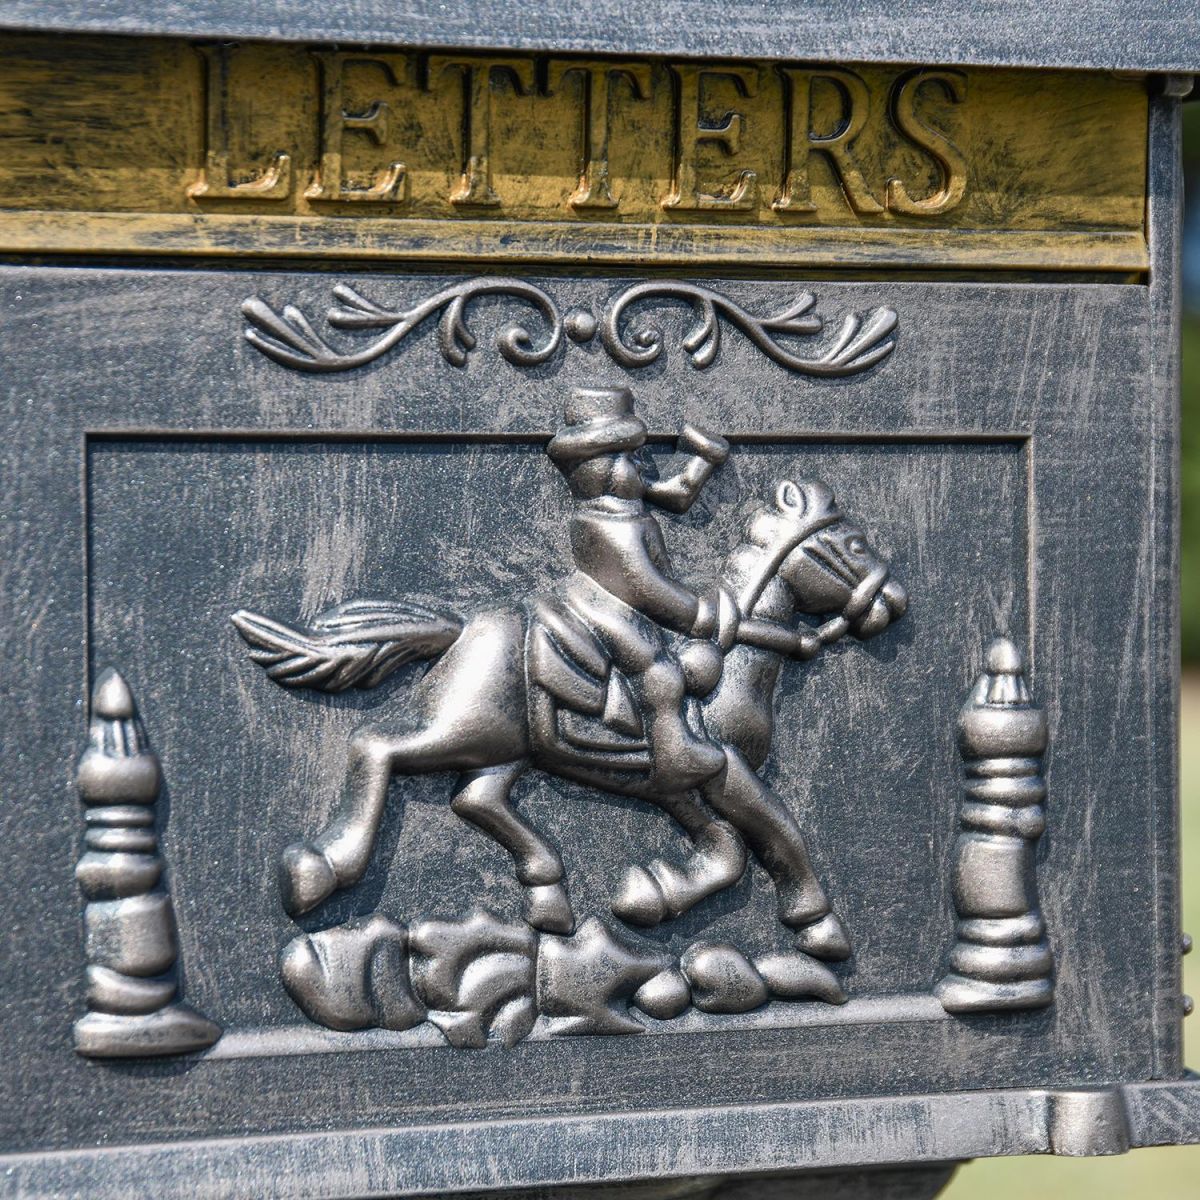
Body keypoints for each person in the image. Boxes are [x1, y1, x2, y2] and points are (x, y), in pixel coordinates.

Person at [547, 386, 738, 793]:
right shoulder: (607, 524)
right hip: (603, 608)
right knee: (656, 665)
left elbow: (677, 495)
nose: (640, 468)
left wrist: (703, 459)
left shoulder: (628, 506)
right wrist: (696, 616)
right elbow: (645, 588)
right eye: (631, 459)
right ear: (604, 470)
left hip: (627, 603)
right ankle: (673, 750)